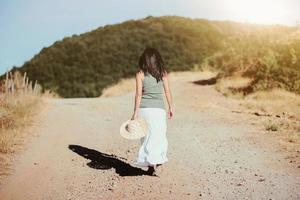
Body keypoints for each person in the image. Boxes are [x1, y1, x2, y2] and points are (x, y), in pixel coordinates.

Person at [131, 47, 173, 176]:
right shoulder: (163, 73)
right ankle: (156, 160)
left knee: (146, 137)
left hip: (144, 110)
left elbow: (138, 95)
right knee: (158, 136)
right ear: (157, 59)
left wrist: (135, 113)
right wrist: (171, 106)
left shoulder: (140, 74)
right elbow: (167, 91)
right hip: (158, 110)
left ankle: (150, 163)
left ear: (144, 60)